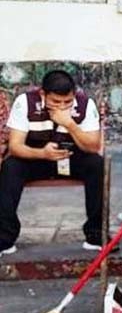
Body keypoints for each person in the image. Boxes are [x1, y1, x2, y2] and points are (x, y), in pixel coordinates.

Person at [0, 70, 103, 256]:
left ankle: (95, 235)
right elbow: (15, 146)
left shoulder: (86, 104)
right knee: (11, 166)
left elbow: (94, 146)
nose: (62, 106)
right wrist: (42, 153)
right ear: (43, 94)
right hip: (37, 158)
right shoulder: (25, 102)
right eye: (56, 101)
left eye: (67, 102)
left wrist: (70, 124)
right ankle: (5, 238)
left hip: (71, 158)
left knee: (96, 164)